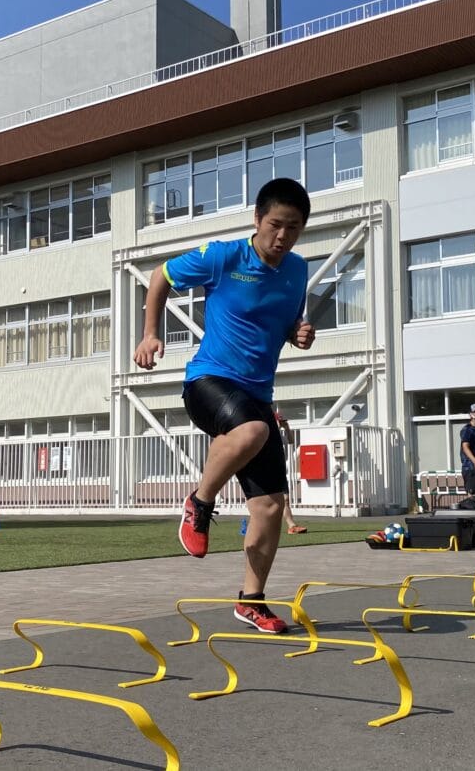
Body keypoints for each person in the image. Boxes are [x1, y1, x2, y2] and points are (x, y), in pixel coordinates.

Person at [133, 178, 315, 634]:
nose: (282, 237)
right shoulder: (224, 257)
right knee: (254, 431)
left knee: (272, 506)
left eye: (293, 228)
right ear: (257, 219)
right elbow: (161, 276)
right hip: (208, 382)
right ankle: (199, 502)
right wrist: (150, 333)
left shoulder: (298, 270)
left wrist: (299, 333)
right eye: (275, 225)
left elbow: (287, 321)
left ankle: (251, 601)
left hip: (257, 396)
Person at [274, 410, 307, 534]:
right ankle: (259, 526)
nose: (281, 422)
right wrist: (276, 425)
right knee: (267, 501)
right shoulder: (268, 432)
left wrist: (286, 428)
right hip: (268, 470)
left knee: (285, 499)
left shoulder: (279, 433)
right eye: (280, 420)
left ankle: (291, 526)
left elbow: (291, 441)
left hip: (280, 470)